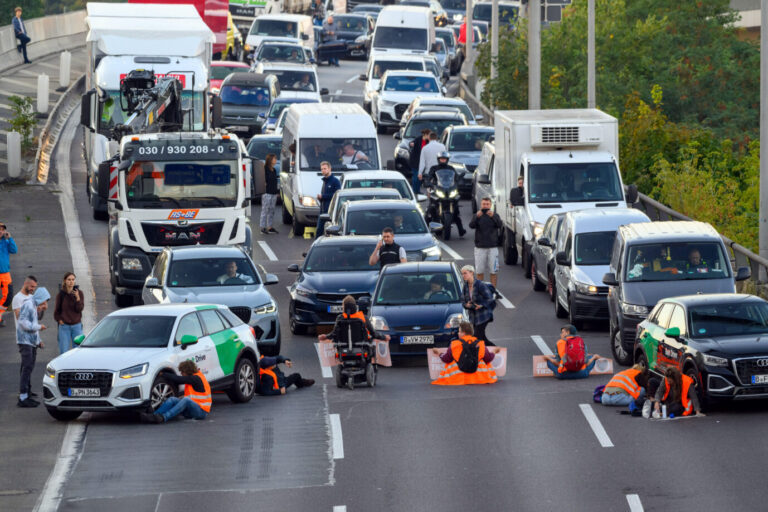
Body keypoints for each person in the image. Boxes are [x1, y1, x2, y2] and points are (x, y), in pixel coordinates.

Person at [140, 361, 211, 423]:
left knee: (185, 400)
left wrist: (163, 374)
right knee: (172, 399)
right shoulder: (193, 377)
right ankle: (154, 416)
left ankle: (164, 417)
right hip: (192, 409)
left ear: (187, 371)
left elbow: (178, 379)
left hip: (201, 412)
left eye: (182, 372)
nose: (181, 373)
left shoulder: (196, 378)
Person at [431, 322, 499, 385]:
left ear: (463, 333)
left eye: (459, 331)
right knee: (484, 362)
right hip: (479, 379)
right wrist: (494, 352)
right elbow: (488, 358)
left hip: (457, 379)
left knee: (450, 363)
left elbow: (446, 359)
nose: (458, 333)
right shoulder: (480, 344)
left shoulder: (454, 344)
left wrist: (439, 353)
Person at [16, 283, 48, 408]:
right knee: (27, 367)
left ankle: (26, 394)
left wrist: (38, 340)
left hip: (30, 341)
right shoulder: (29, 305)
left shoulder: (33, 305)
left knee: (29, 367)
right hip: (25, 341)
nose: (44, 303)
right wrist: (40, 327)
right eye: (44, 300)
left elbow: (32, 324)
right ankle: (23, 396)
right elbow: (23, 322)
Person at [320, 295, 389, 345]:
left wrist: (325, 336)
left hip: (343, 347)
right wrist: (384, 337)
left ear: (344, 307)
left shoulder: (340, 318)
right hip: (362, 346)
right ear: (354, 306)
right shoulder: (363, 318)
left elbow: (334, 334)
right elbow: (373, 334)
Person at [470, 197, 502, 287]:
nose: (485, 206)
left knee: (493, 271)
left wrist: (493, 216)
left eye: (487, 204)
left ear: (490, 205)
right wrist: (477, 216)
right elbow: (471, 225)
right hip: (480, 247)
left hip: (493, 247)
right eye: (484, 204)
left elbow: (500, 224)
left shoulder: (495, 215)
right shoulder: (477, 215)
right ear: (481, 205)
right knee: (479, 271)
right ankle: (480, 291)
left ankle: (493, 291)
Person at [460, 265, 495, 346]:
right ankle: (496, 351)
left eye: (465, 273)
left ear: (472, 273)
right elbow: (462, 299)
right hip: (473, 317)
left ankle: (477, 356)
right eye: (462, 274)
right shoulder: (465, 286)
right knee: (482, 338)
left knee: (476, 337)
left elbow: (490, 298)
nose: (463, 275)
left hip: (483, 316)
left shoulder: (480, 285)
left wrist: (481, 305)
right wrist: (466, 305)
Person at [53, 272, 84, 354]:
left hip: (76, 325)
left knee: (78, 351)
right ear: (65, 281)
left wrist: (77, 298)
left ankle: (77, 367)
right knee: (63, 350)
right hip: (64, 326)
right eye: (69, 280)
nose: (71, 282)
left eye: (73, 280)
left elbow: (79, 309)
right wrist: (59, 320)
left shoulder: (79, 293)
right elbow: (56, 311)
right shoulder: (61, 295)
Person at [316, 161, 340, 236]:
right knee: (319, 231)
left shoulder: (335, 181)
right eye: (322, 169)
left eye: (325, 168)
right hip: (323, 211)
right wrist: (320, 198)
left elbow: (336, 195)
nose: (323, 170)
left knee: (331, 232)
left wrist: (323, 196)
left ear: (330, 169)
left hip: (331, 212)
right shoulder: (324, 181)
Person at [0, 222, 17, 328]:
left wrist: (9, 239)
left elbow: (14, 250)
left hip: (5, 274)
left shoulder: (6, 242)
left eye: (2, 229)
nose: (1, 231)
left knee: (8, 297)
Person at [260, 153, 280, 234]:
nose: (275, 160)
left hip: (273, 192)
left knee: (272, 210)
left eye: (276, 159)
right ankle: (262, 226)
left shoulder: (274, 170)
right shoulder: (265, 169)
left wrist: (277, 191)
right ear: (270, 160)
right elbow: (263, 180)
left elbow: (275, 182)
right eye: (274, 159)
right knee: (265, 210)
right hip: (267, 192)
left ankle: (270, 226)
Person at [409, 128, 430, 194]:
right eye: (428, 135)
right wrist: (411, 144)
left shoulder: (428, 142)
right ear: (425, 135)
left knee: (420, 178)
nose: (429, 137)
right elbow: (411, 143)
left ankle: (417, 191)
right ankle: (414, 191)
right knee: (415, 177)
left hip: (422, 162)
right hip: (415, 161)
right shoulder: (418, 139)